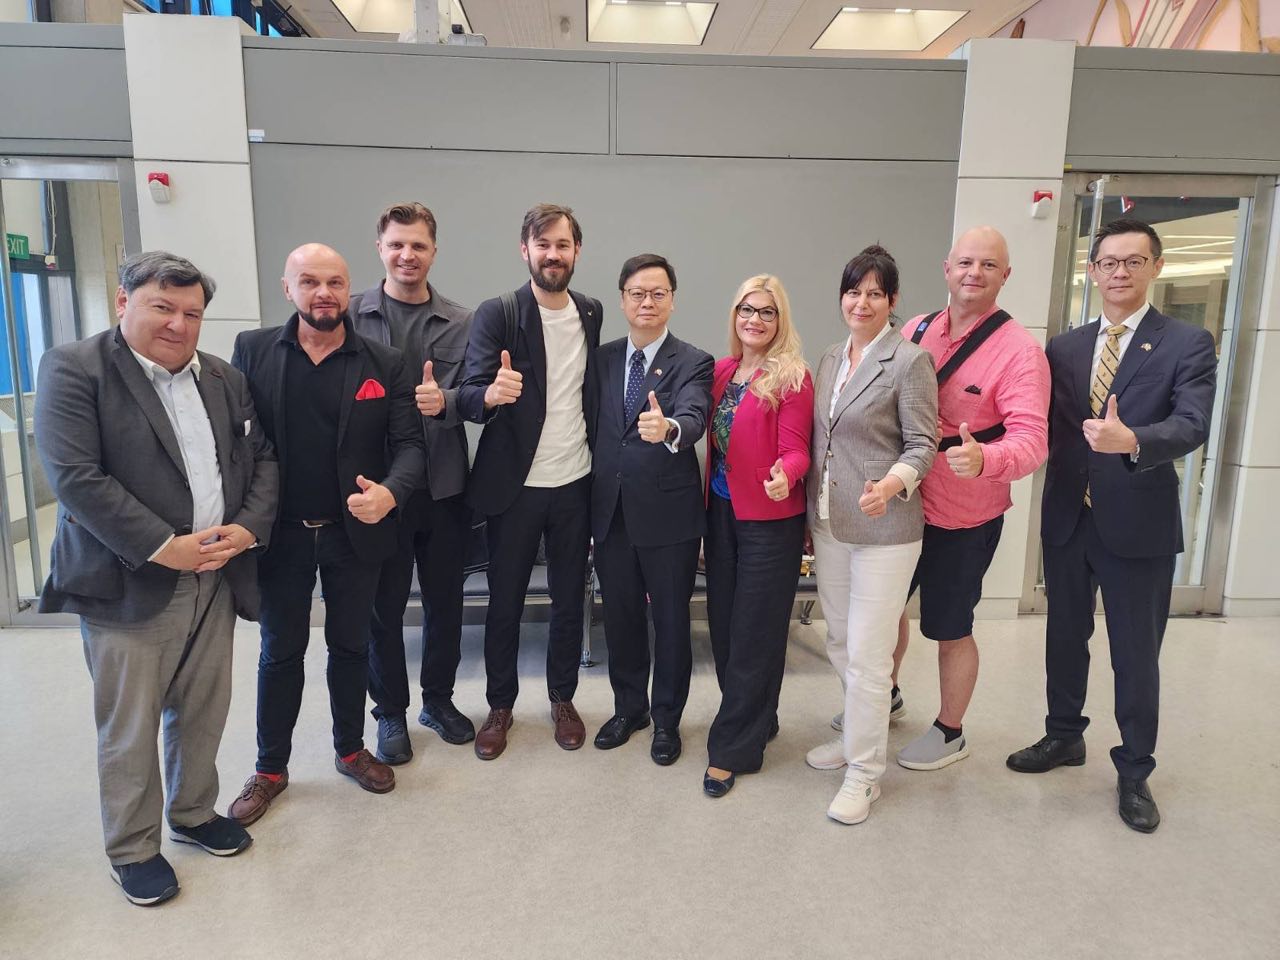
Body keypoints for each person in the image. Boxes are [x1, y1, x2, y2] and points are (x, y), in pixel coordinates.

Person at [34, 252, 278, 906]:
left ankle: (193, 812)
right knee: (131, 724)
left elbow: (260, 459)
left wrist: (246, 530)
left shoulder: (223, 377)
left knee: (203, 707)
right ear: (124, 302)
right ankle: (133, 848)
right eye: (162, 307)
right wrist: (164, 547)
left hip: (217, 573)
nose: (178, 324)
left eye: (191, 313)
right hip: (128, 580)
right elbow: (76, 478)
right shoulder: (75, 369)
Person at [1007, 218, 1217, 834]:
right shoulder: (1065, 347)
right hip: (1069, 517)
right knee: (1063, 637)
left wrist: (1135, 440)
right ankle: (1063, 735)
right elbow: (1038, 421)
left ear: (1155, 267)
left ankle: (1134, 770)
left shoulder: (1186, 343)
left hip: (1139, 524)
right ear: (1092, 270)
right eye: (1109, 262)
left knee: (1135, 653)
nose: (1120, 272)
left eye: (1133, 261)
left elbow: (1194, 423)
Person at [227, 243, 425, 824]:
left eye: (335, 282)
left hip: (354, 533)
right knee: (280, 651)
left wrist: (390, 492)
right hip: (281, 534)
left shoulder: (384, 362)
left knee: (351, 646)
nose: (324, 293)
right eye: (310, 281)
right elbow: (237, 442)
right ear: (287, 288)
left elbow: (410, 446)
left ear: (349, 290)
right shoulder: (253, 350)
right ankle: (270, 768)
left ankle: (350, 749)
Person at [877, 227, 1050, 772]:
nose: (975, 273)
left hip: (964, 516)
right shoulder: (913, 329)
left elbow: (1032, 440)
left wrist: (985, 459)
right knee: (884, 612)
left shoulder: (1021, 352)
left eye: (989, 265)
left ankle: (950, 731)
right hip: (903, 503)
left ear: (1006, 275)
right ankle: (885, 696)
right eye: (966, 262)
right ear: (947, 268)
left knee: (950, 626)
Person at [456, 203, 603, 760]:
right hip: (513, 488)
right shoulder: (499, 312)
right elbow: (468, 393)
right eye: (543, 245)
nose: (553, 255)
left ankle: (563, 699)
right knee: (505, 602)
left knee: (569, 599)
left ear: (577, 251)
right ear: (525, 250)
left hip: (575, 481)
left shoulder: (590, 311)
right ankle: (500, 705)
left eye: (563, 245)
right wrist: (491, 396)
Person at [804, 246, 937, 824]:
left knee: (867, 653)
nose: (862, 302)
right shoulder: (831, 357)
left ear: (893, 301)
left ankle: (864, 773)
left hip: (886, 528)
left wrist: (891, 485)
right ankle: (856, 734)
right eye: (854, 292)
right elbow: (823, 440)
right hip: (830, 523)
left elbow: (924, 444)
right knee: (838, 641)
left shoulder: (909, 361)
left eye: (875, 293)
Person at [350, 202, 477, 761]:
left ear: (434, 251)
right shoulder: (351, 317)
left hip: (444, 485)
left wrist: (445, 399)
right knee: (384, 607)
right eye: (397, 244)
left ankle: (438, 700)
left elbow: (478, 395)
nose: (407, 255)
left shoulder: (462, 321)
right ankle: (390, 712)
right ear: (380, 248)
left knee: (446, 602)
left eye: (418, 245)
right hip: (377, 489)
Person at [590, 254, 714, 766]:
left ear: (672, 301)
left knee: (670, 621)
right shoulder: (601, 359)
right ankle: (629, 709)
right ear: (622, 300)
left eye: (658, 293)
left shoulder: (694, 360)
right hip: (610, 512)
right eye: (638, 293)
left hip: (669, 517)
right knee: (619, 618)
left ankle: (666, 719)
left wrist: (669, 430)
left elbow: (694, 415)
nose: (647, 302)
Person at [702, 274, 814, 798]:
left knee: (754, 633)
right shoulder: (722, 372)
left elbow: (797, 450)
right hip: (721, 512)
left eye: (767, 311)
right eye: (747, 309)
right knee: (725, 627)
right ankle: (757, 718)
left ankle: (731, 749)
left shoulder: (792, 376)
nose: (755, 319)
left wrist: (785, 475)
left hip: (770, 519)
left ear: (780, 320)